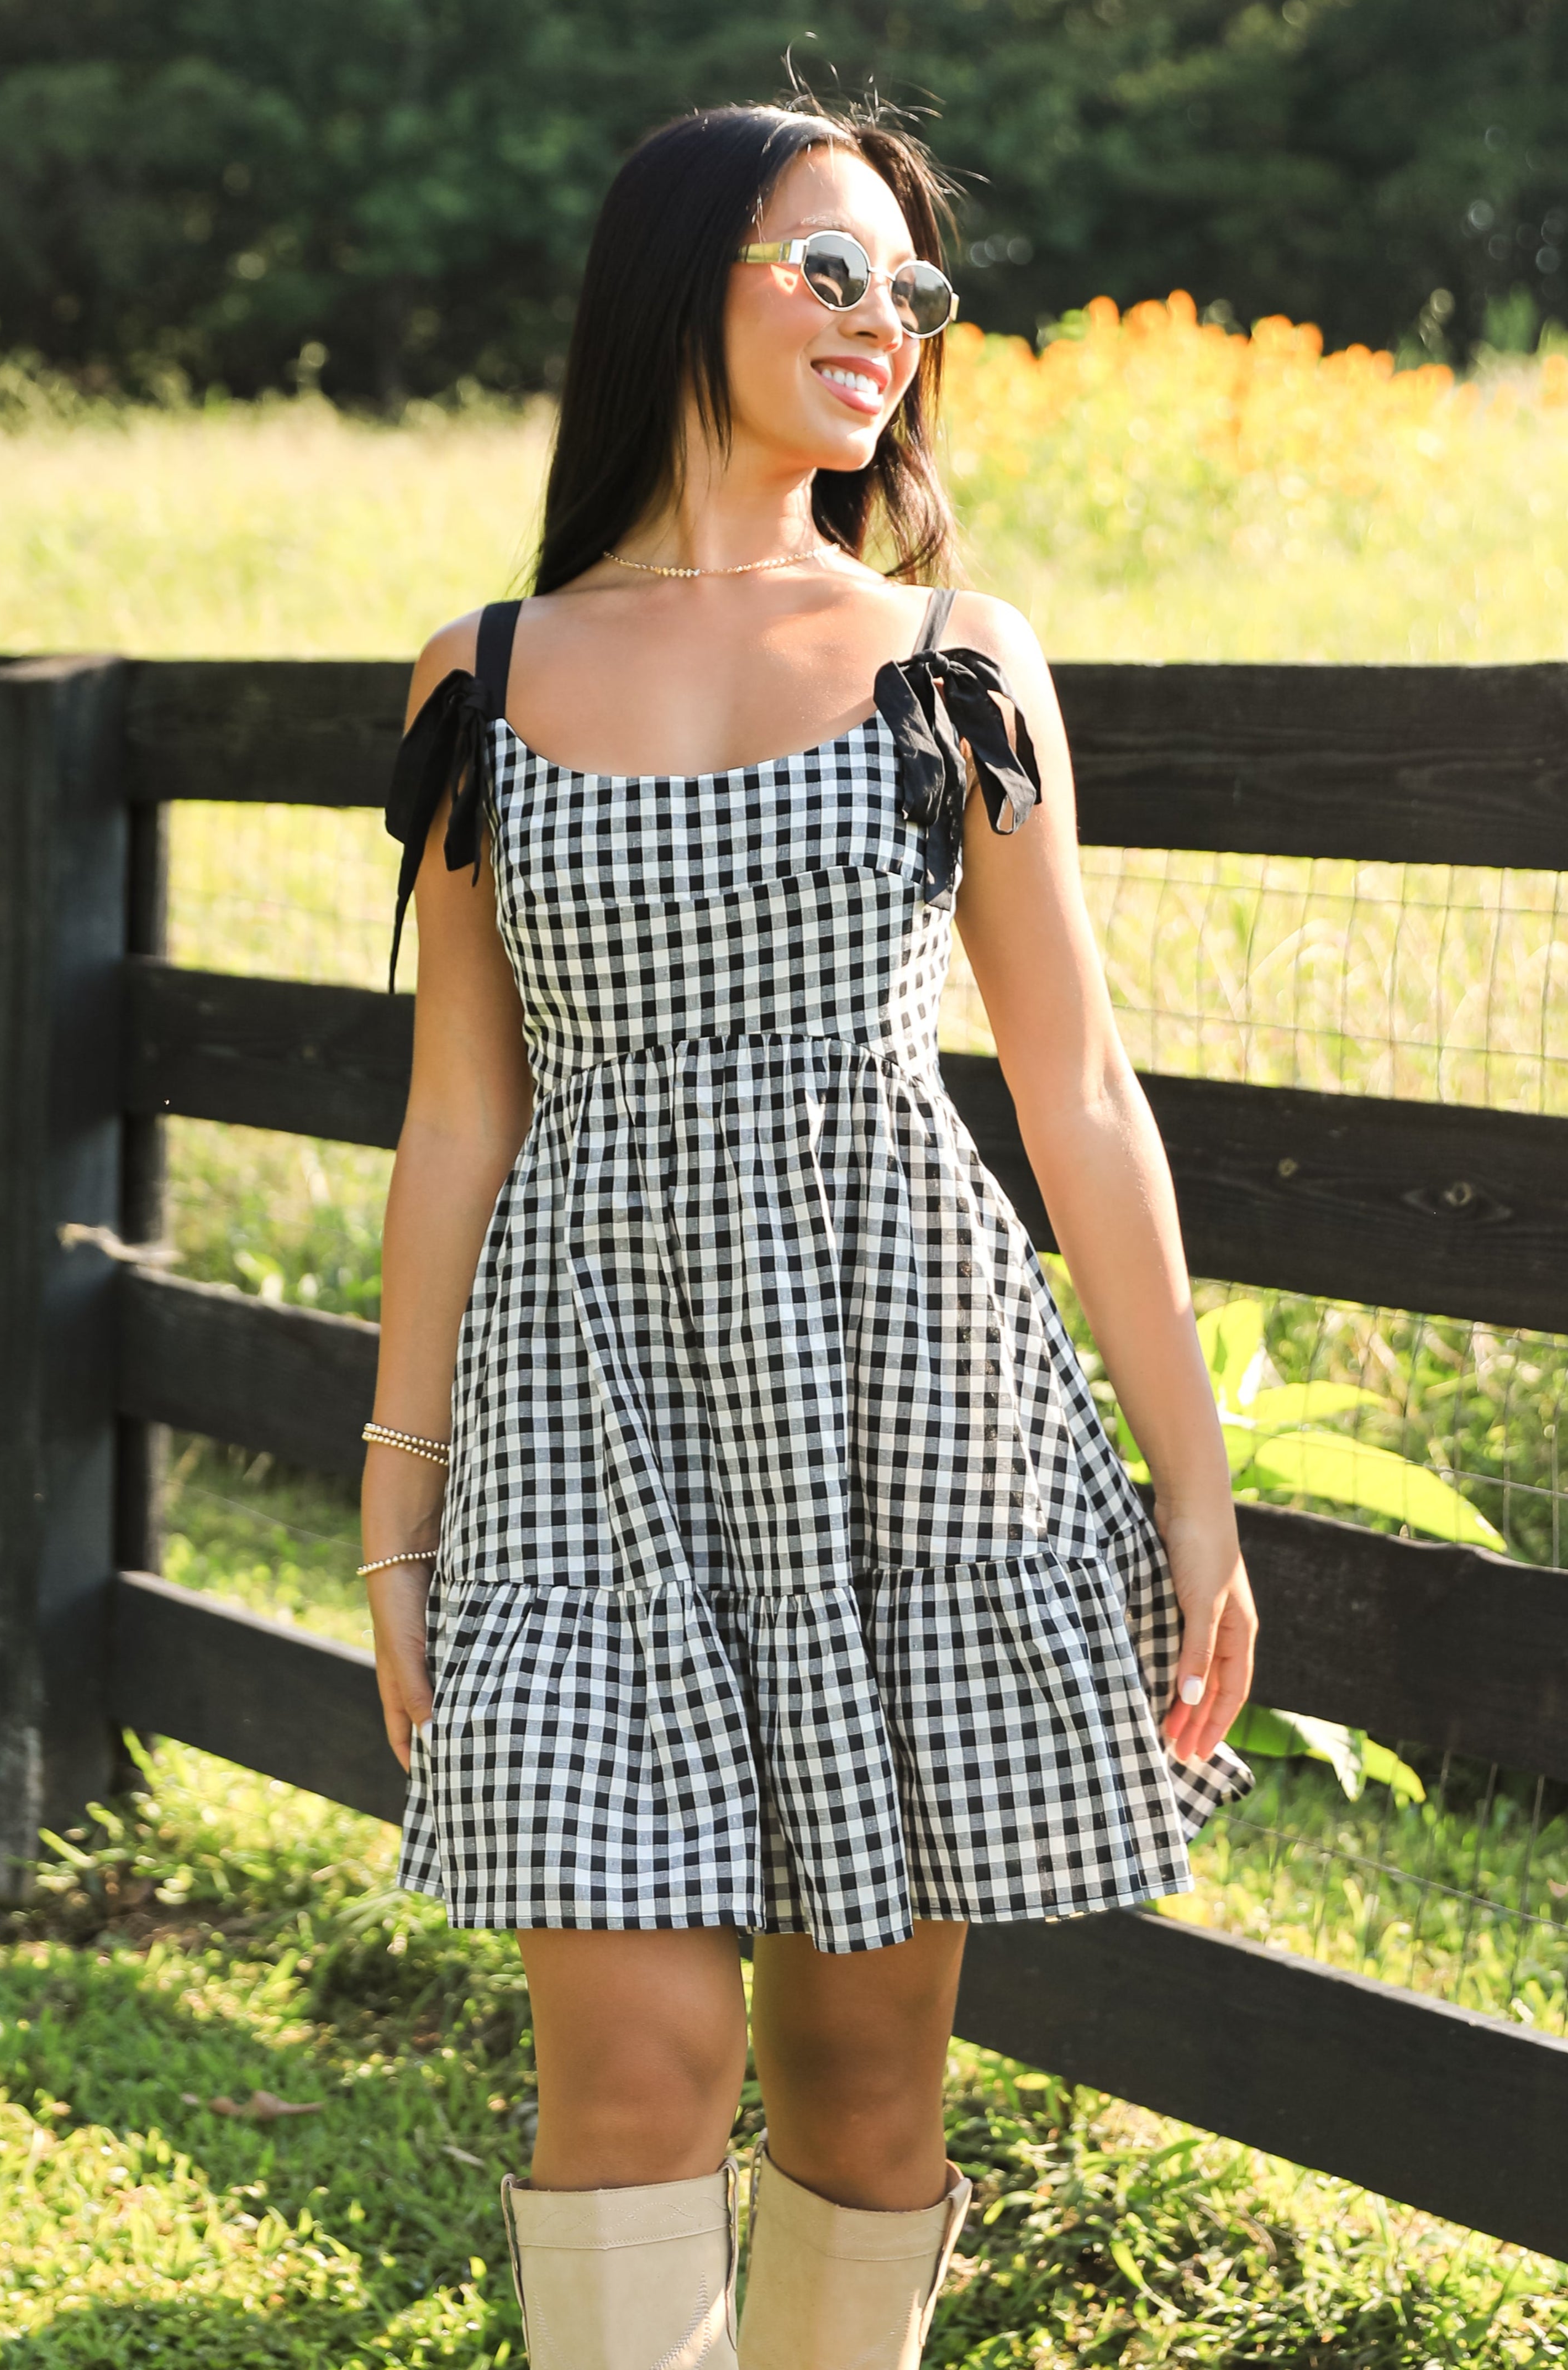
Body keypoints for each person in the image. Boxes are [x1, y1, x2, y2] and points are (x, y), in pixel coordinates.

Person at [362, 97, 1256, 2370]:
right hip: (587, 1435)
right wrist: (397, 1505)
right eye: (826, 270)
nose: (886, 327)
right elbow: (460, 1111)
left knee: (865, 2099)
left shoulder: (957, 657)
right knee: (631, 2075)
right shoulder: (483, 676)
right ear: (681, 281)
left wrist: (1193, 1473)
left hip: (904, 1405)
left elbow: (1073, 1087)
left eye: (911, 290)